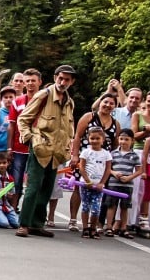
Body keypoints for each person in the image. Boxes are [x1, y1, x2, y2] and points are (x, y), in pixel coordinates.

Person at [15, 65, 77, 238]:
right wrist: (30, 139)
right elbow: (23, 118)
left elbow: (69, 127)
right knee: (33, 187)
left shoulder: (69, 102)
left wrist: (68, 148)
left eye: (67, 79)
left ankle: (37, 224)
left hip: (57, 152)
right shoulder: (44, 95)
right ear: (55, 77)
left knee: (47, 189)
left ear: (72, 82)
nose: (62, 82)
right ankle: (24, 224)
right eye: (60, 78)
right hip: (40, 148)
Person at [66, 93, 119, 231]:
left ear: (115, 106)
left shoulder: (115, 123)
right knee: (79, 187)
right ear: (100, 102)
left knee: (98, 190)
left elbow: (114, 144)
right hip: (85, 158)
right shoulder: (89, 117)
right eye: (105, 102)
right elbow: (77, 136)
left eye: (111, 103)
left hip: (102, 161)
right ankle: (73, 219)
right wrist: (75, 155)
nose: (107, 105)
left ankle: (94, 223)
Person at [6, 68, 43, 206]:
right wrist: (9, 147)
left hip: (38, 147)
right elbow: (11, 125)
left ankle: (32, 210)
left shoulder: (45, 101)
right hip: (18, 148)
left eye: (33, 80)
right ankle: (13, 208)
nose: (30, 83)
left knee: (35, 180)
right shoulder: (18, 101)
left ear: (40, 82)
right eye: (27, 81)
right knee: (16, 179)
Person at [103, 129, 142, 238]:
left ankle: (123, 227)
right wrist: (114, 173)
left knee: (125, 207)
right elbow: (108, 168)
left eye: (126, 139)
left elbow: (139, 170)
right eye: (121, 139)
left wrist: (129, 177)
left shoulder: (134, 155)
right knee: (111, 205)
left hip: (127, 185)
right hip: (113, 183)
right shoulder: (113, 153)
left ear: (132, 141)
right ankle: (109, 226)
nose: (123, 142)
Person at [77, 126, 113, 239]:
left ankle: (93, 228)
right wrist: (87, 181)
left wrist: (102, 183)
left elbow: (108, 170)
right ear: (88, 139)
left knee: (96, 208)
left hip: (98, 186)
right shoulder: (85, 152)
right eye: (92, 138)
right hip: (85, 184)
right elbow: (81, 167)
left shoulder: (106, 154)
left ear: (103, 139)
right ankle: (85, 228)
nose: (95, 141)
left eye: (97, 138)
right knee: (85, 206)